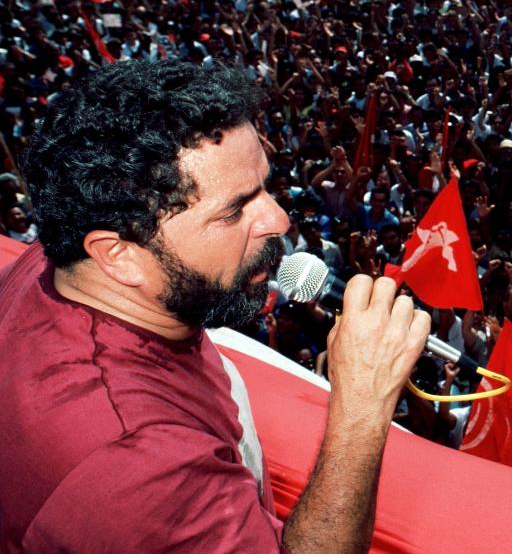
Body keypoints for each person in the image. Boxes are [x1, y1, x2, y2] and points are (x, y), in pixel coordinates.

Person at [0, 60, 430, 551]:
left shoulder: (69, 259)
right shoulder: (136, 465)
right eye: (233, 211)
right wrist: (362, 404)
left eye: (264, 188)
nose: (279, 219)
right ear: (119, 256)